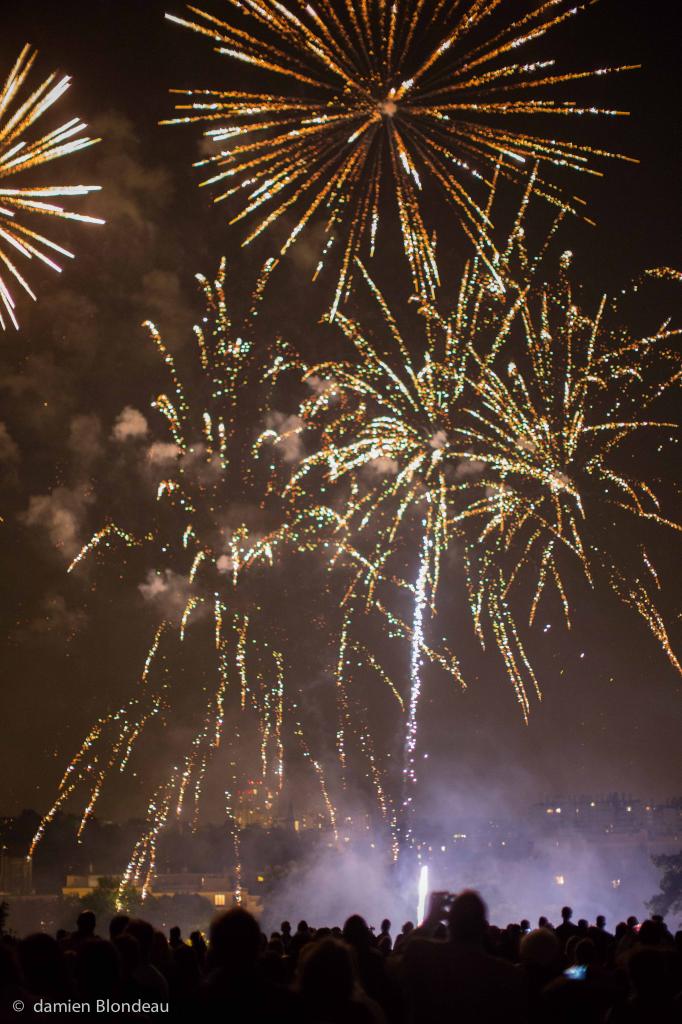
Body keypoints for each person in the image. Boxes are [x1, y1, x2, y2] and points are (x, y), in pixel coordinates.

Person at [400, 889, 526, 1023]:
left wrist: (430, 921)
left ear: (450, 923)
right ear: (484, 928)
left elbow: (395, 959)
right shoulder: (508, 976)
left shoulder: (421, 954)